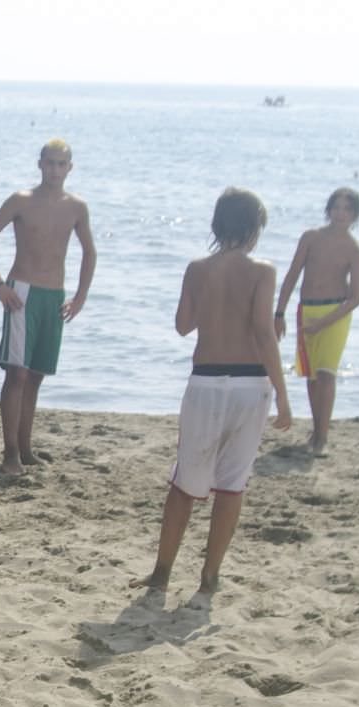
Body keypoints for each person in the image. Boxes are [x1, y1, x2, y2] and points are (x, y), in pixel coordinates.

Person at [130, 188, 293, 606]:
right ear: (255, 228)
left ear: (217, 225)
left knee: (185, 483)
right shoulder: (262, 270)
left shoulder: (197, 268)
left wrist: (213, 300)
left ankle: (161, 576)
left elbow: (184, 325)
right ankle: (208, 581)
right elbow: (262, 331)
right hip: (249, 382)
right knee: (231, 485)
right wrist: (285, 394)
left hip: (204, 381)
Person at [0, 139, 97, 475]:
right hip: (22, 292)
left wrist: (81, 296)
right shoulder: (21, 201)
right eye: (50, 163)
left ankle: (25, 449)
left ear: (70, 168)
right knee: (17, 374)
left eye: (61, 164)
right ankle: (10, 452)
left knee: (36, 376)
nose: (55, 170)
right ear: (39, 164)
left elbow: (89, 252)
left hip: (54, 296)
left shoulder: (76, 207)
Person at [275, 186, 359, 455]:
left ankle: (322, 438)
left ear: (355, 214)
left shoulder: (354, 250)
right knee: (312, 378)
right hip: (307, 310)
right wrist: (278, 313)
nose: (341, 213)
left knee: (326, 375)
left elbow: (355, 297)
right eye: (336, 207)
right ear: (329, 210)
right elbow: (291, 277)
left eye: (347, 209)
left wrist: (324, 323)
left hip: (335, 316)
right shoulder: (311, 238)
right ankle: (316, 430)